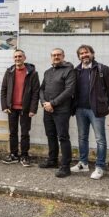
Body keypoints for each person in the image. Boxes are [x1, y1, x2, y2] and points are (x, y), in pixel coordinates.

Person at [71, 45, 109, 179]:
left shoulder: (102, 69)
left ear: (92, 54)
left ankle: (100, 166)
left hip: (96, 111)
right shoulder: (76, 70)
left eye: (86, 52)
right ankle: (83, 163)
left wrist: (102, 104)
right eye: (81, 53)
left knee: (100, 139)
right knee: (82, 137)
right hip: (80, 109)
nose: (84, 55)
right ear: (79, 56)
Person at [39, 48, 76, 178]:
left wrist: (52, 103)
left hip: (61, 110)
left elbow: (69, 90)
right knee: (50, 135)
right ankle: (52, 160)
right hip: (47, 109)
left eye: (58, 55)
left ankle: (65, 167)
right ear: (51, 57)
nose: (56, 57)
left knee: (63, 137)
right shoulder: (47, 72)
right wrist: (44, 103)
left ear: (63, 56)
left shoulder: (69, 70)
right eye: (54, 55)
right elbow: (41, 89)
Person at [0, 49, 40, 166]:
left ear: (24, 58)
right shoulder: (9, 72)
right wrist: (4, 106)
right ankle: (13, 155)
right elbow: (3, 90)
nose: (17, 58)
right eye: (16, 57)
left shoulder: (32, 73)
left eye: (20, 56)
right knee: (12, 132)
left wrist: (33, 109)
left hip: (25, 108)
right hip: (11, 108)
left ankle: (24, 156)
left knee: (24, 133)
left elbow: (35, 92)